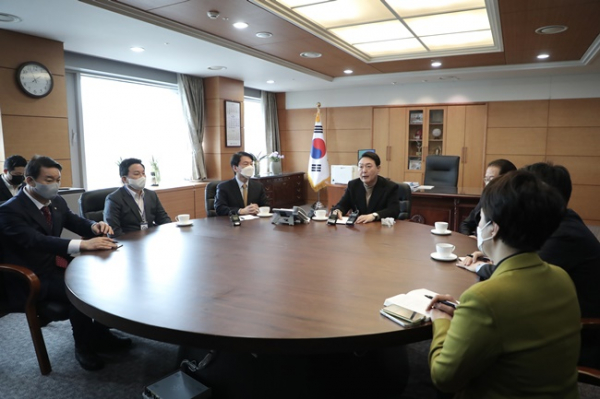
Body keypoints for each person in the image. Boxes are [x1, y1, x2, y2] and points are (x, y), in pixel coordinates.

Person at [427, 170, 580, 398]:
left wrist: (441, 322)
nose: (477, 224)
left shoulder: (484, 297)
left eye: (481, 217)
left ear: (493, 228)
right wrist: (465, 315)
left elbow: (444, 378)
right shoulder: (561, 277)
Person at [460, 162, 600, 367]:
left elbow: (518, 274)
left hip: (577, 335)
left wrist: (481, 266)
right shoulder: (561, 222)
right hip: (552, 314)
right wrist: (489, 250)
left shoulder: (563, 234)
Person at [0, 155, 130, 371]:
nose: (55, 185)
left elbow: (75, 222)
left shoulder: (56, 202)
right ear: (30, 181)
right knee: (81, 291)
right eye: (49, 180)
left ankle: (100, 335)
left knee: (106, 278)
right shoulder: (9, 210)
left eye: (58, 179)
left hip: (57, 265)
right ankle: (83, 346)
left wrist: (94, 226)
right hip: (30, 275)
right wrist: (82, 245)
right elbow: (35, 241)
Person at [104, 158, 171, 237]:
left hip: (150, 239)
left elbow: (163, 220)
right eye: (137, 174)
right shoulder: (114, 199)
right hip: (129, 243)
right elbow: (114, 231)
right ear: (124, 179)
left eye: (143, 173)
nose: (142, 177)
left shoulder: (151, 195)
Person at [331, 152, 399, 223]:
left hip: (380, 229)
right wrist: (337, 211)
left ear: (378, 169)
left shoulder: (390, 187)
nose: (364, 170)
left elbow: (394, 210)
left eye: (368, 166)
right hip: (359, 229)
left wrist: (373, 216)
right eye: (361, 167)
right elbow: (342, 205)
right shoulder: (353, 185)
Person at [458, 159, 516, 236]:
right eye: (486, 179)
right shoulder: (486, 199)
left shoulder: (513, 206)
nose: (487, 183)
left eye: (491, 179)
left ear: (506, 180)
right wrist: (469, 237)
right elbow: (465, 224)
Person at [214, 151, 269, 216]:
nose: (250, 167)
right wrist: (241, 211)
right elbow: (219, 208)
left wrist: (258, 209)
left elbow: (266, 206)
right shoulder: (224, 187)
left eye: (251, 164)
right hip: (232, 223)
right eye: (245, 164)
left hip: (254, 223)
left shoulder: (258, 186)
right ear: (235, 168)